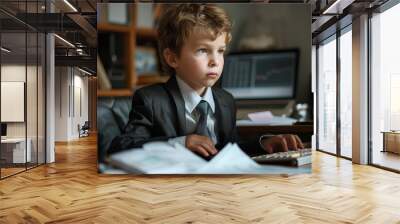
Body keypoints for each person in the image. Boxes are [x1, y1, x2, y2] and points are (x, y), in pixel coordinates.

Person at [108, 4, 304, 159]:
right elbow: (119, 148)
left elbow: (229, 148)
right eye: (203, 50)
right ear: (172, 58)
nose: (215, 61)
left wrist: (263, 143)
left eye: (220, 51)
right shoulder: (151, 99)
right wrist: (181, 142)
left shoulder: (226, 100)